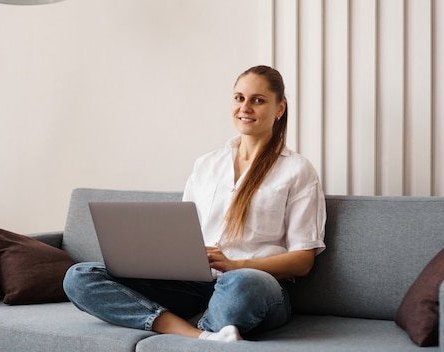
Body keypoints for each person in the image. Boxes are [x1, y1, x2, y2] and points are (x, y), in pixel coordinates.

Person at [63, 65, 326, 342]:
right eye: (239, 98)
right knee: (79, 276)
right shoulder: (206, 164)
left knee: (245, 283)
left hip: (255, 287)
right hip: (194, 284)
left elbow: (303, 260)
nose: (245, 107)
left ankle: (205, 326)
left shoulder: (298, 170)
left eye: (257, 100)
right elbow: (182, 233)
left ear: (280, 108)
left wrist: (237, 265)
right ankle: (197, 334)